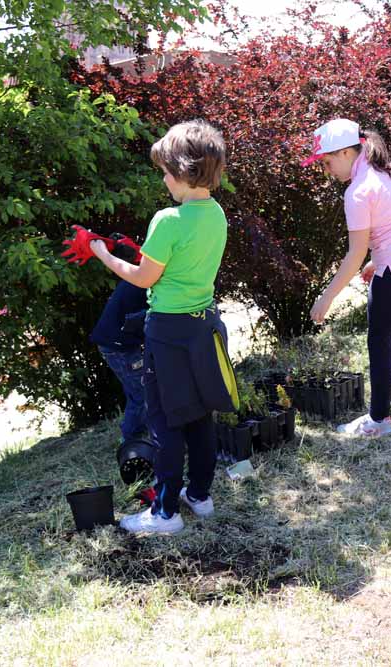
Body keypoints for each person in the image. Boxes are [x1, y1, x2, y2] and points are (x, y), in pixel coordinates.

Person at [90, 120, 238, 534]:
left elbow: (142, 278)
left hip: (168, 333)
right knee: (198, 415)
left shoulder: (168, 220)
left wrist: (103, 254)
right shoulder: (216, 214)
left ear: (184, 171)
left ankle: (166, 513)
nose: (164, 178)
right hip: (204, 327)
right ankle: (200, 496)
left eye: (166, 170)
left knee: (166, 421)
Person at [301, 118, 391, 437]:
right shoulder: (387, 171)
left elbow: (354, 254)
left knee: (379, 343)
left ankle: (378, 422)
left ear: (348, 152)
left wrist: (327, 297)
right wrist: (375, 261)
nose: (326, 170)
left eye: (327, 161)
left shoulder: (357, 191)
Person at [89, 238, 148, 445]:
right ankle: (131, 440)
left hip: (118, 342)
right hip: (117, 346)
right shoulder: (149, 282)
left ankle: (140, 431)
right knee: (142, 392)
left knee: (137, 388)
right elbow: (140, 321)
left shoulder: (143, 273)